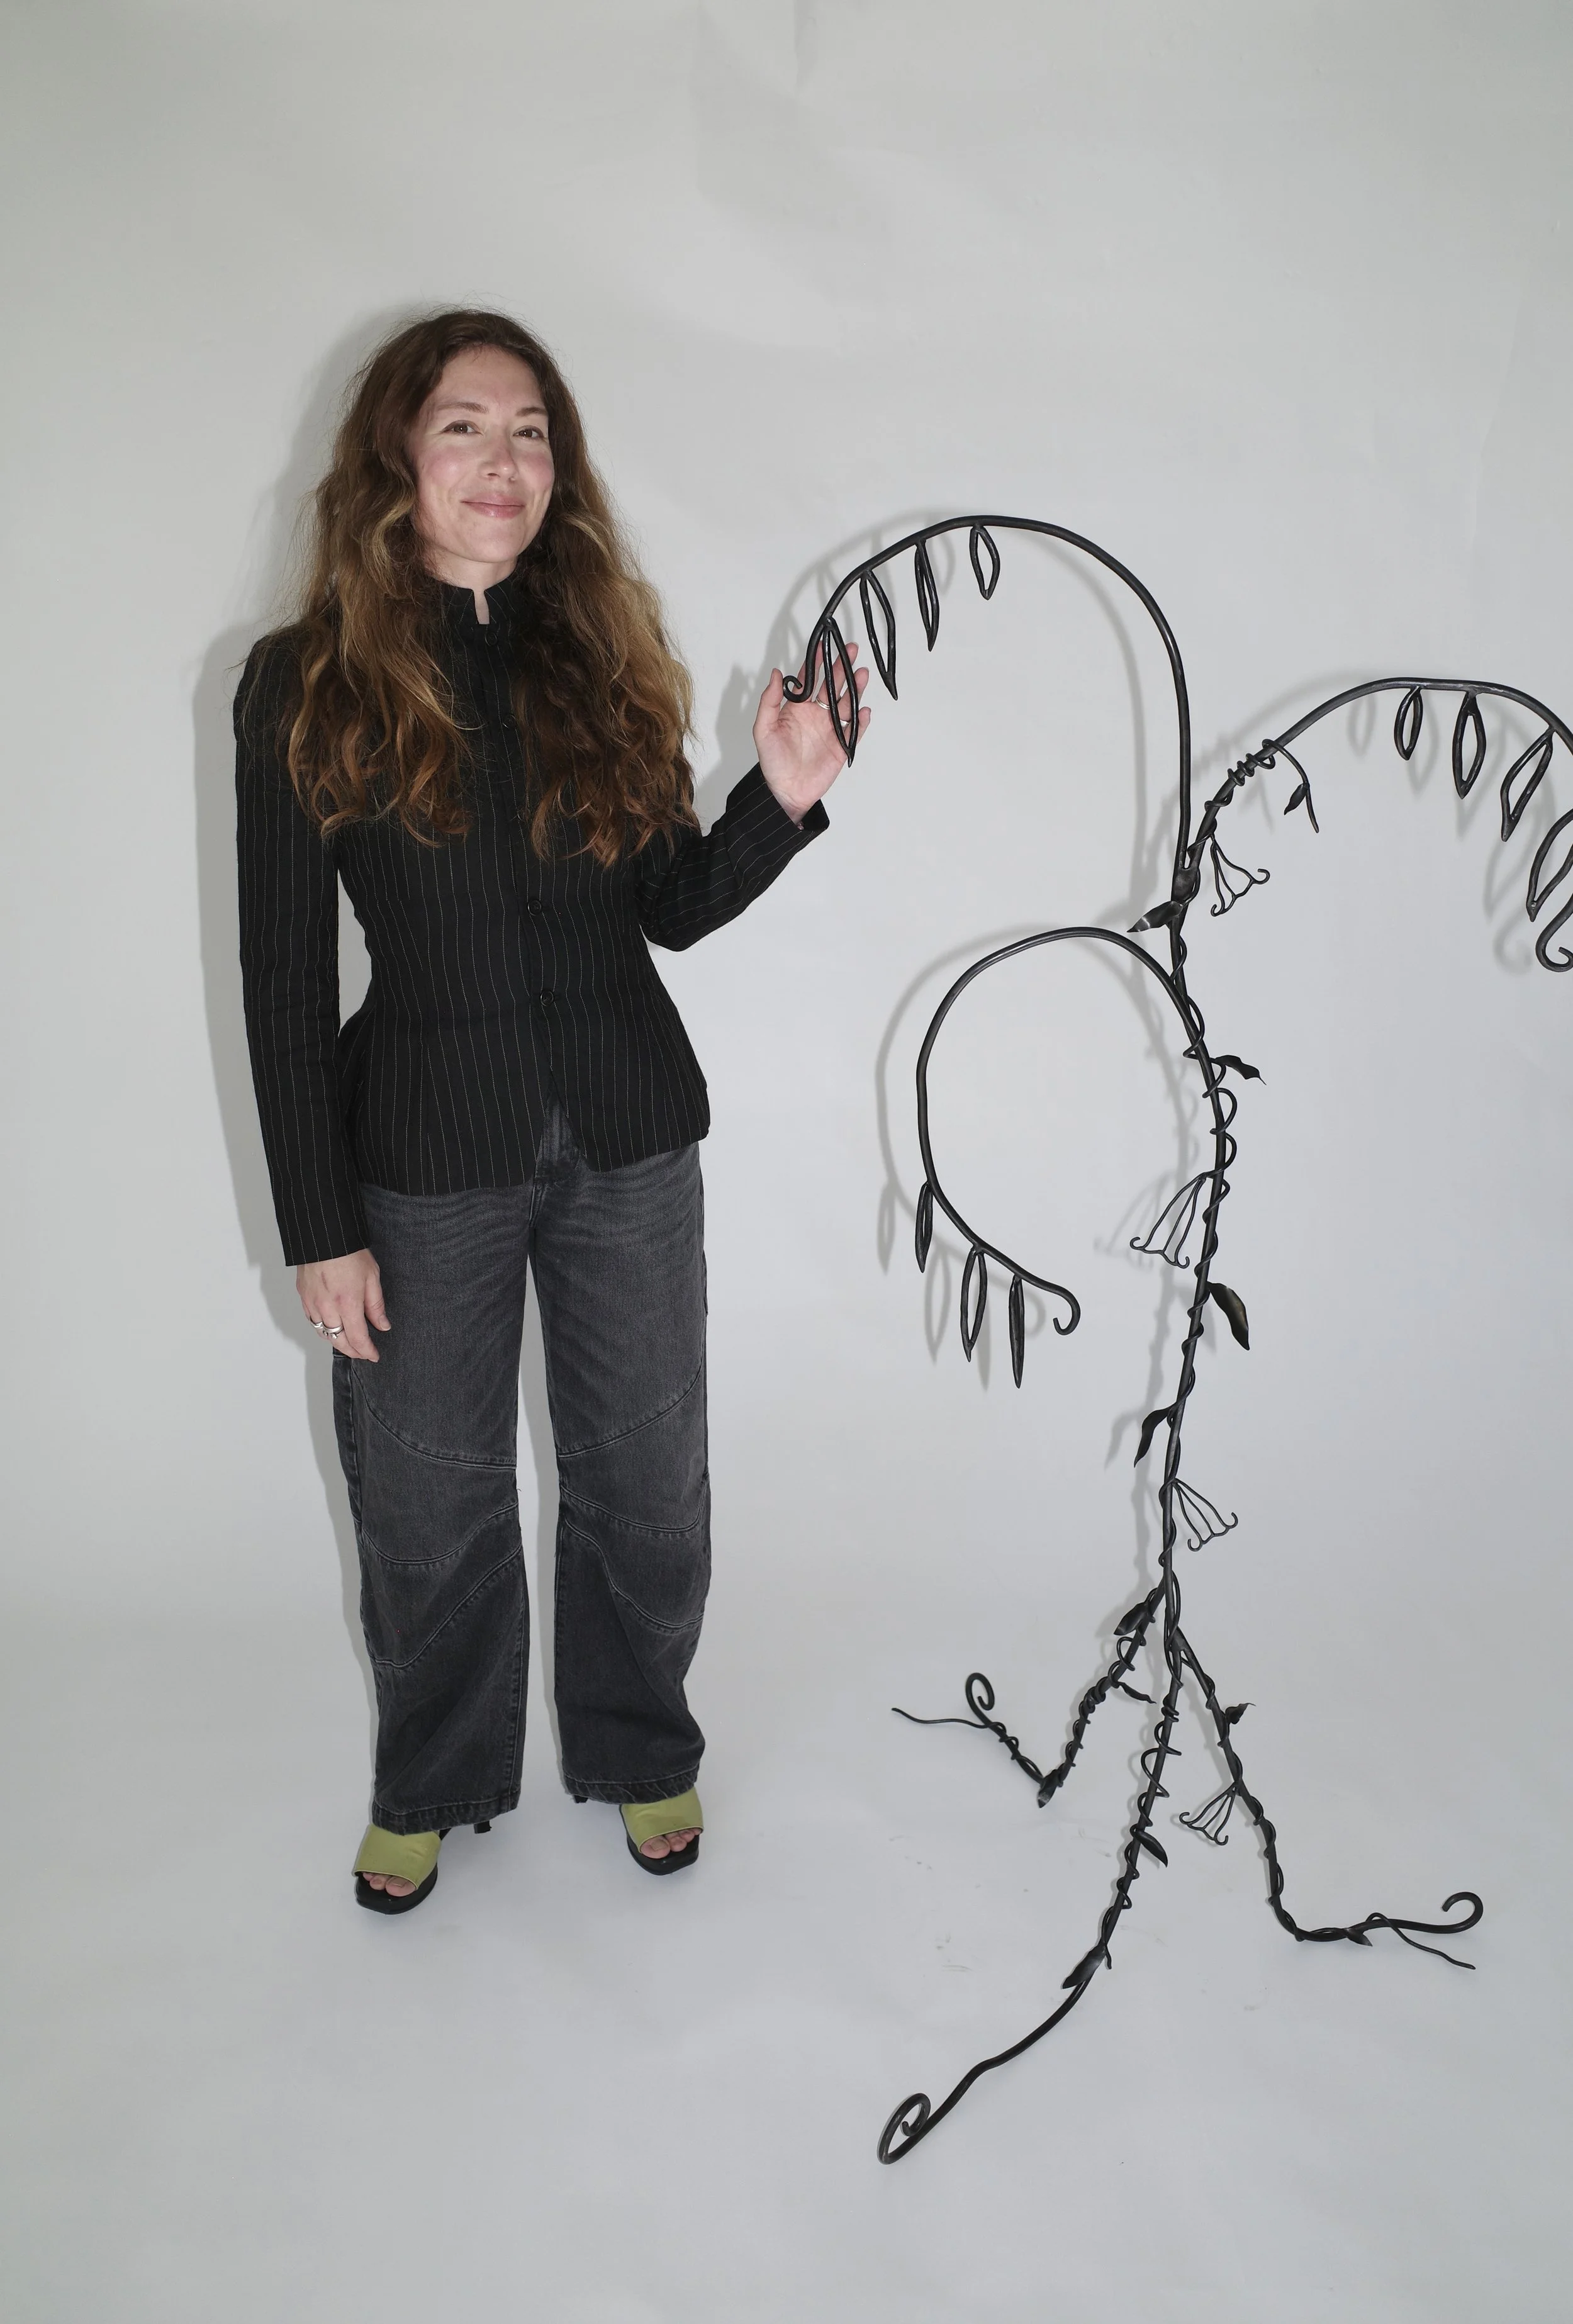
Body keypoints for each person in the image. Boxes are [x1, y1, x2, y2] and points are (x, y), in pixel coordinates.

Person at [235, 309, 867, 1911]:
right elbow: (283, 988)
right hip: (421, 1158)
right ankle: (432, 1778)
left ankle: (642, 1737)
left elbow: (664, 902)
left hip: (628, 1134)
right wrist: (319, 1229)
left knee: (648, 1473)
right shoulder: (300, 685)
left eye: (528, 431)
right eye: (462, 426)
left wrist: (778, 797)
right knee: (427, 1490)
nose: (502, 461)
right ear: (396, 457)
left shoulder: (598, 656)